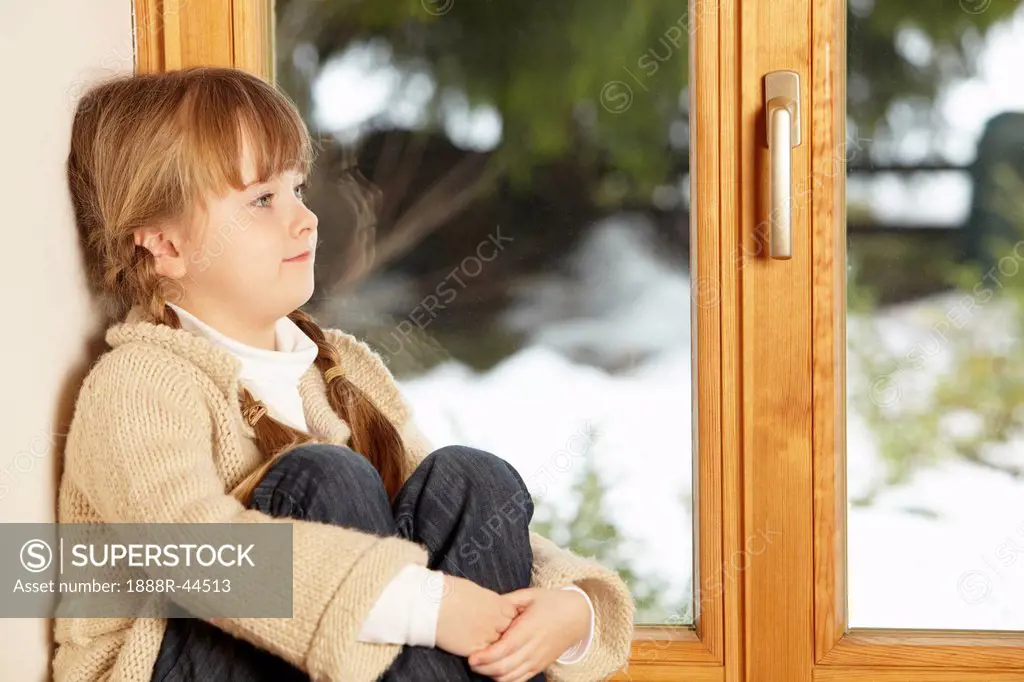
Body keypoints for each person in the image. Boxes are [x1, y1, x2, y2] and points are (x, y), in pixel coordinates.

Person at [54, 66, 634, 682]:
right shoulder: (141, 382)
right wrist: (426, 607)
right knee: (325, 478)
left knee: (469, 479)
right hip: (168, 663)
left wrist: (571, 609)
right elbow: (197, 554)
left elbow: (455, 523)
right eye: (261, 200)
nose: (305, 220)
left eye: (297, 189)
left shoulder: (340, 365)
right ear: (164, 245)